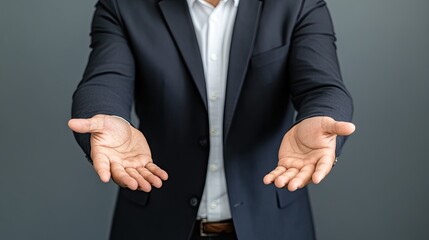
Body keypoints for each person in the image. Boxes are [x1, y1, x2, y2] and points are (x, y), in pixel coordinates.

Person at [68, 0, 355, 239]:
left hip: (271, 225)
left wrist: (321, 115)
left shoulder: (298, 3)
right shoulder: (123, 5)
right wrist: (104, 116)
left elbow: (323, 86)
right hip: (156, 224)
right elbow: (105, 81)